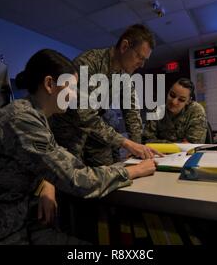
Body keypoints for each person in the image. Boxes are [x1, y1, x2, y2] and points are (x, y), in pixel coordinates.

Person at [0, 49, 156, 245]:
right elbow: (76, 178)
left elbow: (52, 163)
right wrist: (133, 170)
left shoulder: (36, 117)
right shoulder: (21, 119)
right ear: (50, 84)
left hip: (11, 223)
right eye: (72, 88)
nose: (75, 96)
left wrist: (47, 183)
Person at [49, 24, 160, 167]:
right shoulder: (88, 63)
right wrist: (126, 143)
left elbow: (132, 111)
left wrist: (137, 146)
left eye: (145, 60)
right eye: (140, 57)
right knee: (72, 179)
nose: (142, 64)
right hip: (69, 132)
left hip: (96, 132)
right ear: (125, 46)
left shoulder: (124, 75)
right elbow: (84, 114)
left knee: (108, 173)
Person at [142, 78, 207, 144]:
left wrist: (161, 143)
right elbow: (147, 141)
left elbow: (194, 144)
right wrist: (177, 144)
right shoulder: (157, 112)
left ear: (188, 101)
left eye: (181, 99)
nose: (174, 102)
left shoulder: (195, 111)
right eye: (172, 95)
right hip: (161, 153)